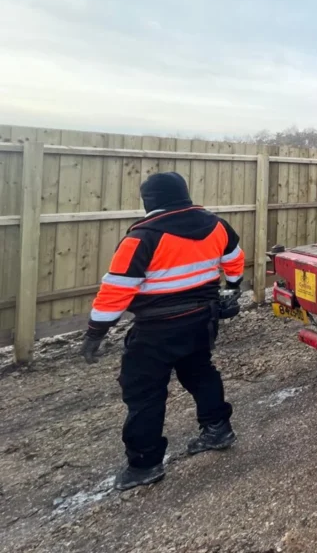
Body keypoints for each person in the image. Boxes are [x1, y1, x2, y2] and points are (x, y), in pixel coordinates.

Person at [80, 171, 245, 490]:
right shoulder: (216, 225)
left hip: (157, 328)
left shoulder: (143, 236)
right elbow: (235, 260)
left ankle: (144, 464)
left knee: (144, 391)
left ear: (150, 201)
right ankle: (217, 429)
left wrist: (95, 332)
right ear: (184, 194)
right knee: (200, 372)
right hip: (202, 319)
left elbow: (117, 290)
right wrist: (233, 288)